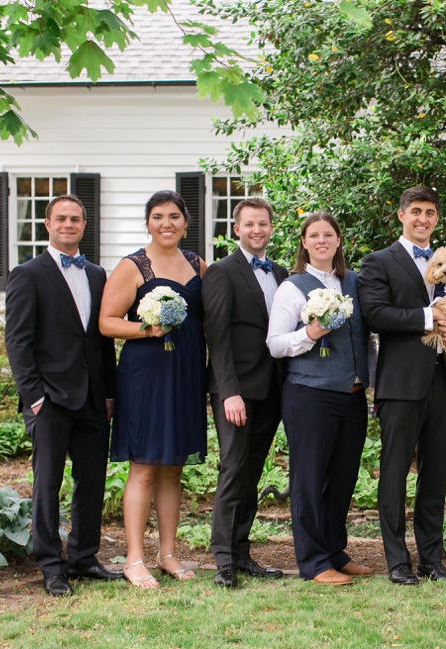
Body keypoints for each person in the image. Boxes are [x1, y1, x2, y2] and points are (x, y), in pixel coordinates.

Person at [4, 194, 122, 596]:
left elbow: (102, 341)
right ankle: (51, 566)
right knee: (47, 484)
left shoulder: (96, 274)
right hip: (49, 400)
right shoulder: (28, 273)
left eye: (76, 219)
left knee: (91, 481)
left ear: (84, 226)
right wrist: (34, 397)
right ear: (48, 224)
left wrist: (109, 394)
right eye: (62, 219)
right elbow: (18, 343)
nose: (69, 224)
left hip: (92, 399)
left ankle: (84, 558)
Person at [99, 190, 208, 588]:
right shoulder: (132, 266)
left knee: (173, 466)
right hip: (146, 375)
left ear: (185, 222)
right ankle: (133, 558)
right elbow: (108, 322)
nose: (167, 223)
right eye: (159, 216)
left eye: (175, 216)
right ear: (148, 222)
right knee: (144, 466)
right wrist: (146, 329)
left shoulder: (198, 264)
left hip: (186, 374)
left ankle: (168, 553)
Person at [357, 186, 446, 585]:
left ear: (436, 218)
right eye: (416, 211)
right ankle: (398, 561)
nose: (423, 218)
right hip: (402, 383)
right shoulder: (379, 262)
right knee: (395, 471)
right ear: (401, 215)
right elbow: (374, 314)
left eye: (430, 212)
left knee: (436, 474)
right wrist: (428, 317)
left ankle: (432, 560)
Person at [267, 211, 375, 586]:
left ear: (338, 240)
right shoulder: (292, 287)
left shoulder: (355, 283)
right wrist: (310, 333)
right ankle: (313, 561)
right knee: (310, 481)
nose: (322, 240)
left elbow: (366, 339)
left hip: (353, 395)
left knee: (342, 479)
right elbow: (276, 344)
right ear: (304, 243)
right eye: (314, 235)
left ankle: (334, 550)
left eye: (328, 234)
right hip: (310, 395)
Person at [203, 198, 288, 588]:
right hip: (237, 391)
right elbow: (217, 338)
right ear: (236, 229)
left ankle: (241, 552)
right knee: (233, 468)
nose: (257, 230)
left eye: (263, 224)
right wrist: (228, 393)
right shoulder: (222, 272)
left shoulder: (282, 272)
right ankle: (222, 560)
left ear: (271, 228)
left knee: (252, 472)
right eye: (249, 224)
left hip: (272, 388)